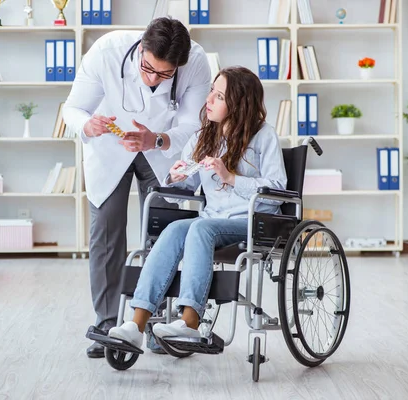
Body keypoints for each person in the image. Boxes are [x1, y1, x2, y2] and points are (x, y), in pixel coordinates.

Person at [106, 66, 288, 348]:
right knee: (175, 229)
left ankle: (191, 322)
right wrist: (175, 175)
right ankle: (136, 324)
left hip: (253, 221)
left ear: (239, 103)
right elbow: (188, 189)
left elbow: (276, 188)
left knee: (201, 228)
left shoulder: (264, 135)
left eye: (219, 96)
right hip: (212, 219)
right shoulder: (205, 136)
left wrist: (231, 178)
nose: (209, 100)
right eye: (211, 92)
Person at [62, 17, 212, 358]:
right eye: (147, 69)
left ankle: (157, 325)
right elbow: (72, 108)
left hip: (161, 149)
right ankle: (106, 324)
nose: (151, 79)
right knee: (107, 232)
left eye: (163, 75)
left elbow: (192, 124)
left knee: (164, 236)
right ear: (141, 48)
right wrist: (89, 123)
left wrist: (156, 139)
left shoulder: (197, 62)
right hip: (108, 146)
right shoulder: (107, 50)